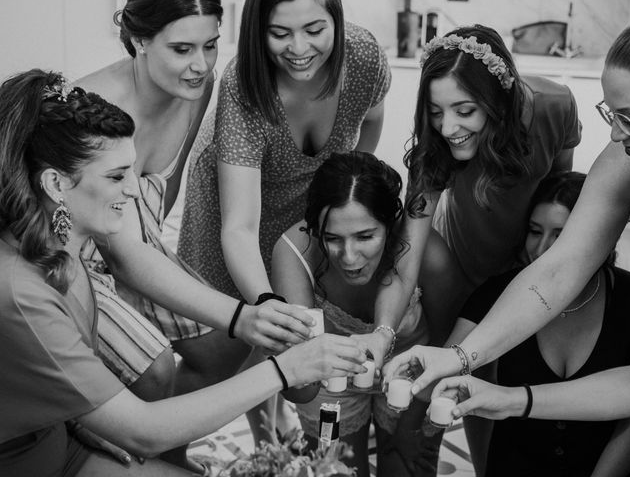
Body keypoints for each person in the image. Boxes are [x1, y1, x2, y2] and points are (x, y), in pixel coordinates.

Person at [0, 69, 367, 477]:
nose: (135, 191)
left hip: (63, 445)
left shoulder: (61, 248)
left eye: (133, 172)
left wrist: (78, 424)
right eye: (117, 176)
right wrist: (287, 370)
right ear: (55, 184)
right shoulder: (21, 294)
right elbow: (143, 431)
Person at [75, 0, 317, 462]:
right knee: (154, 365)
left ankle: (170, 454)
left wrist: (240, 320)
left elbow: (156, 204)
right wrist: (241, 313)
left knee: (227, 347)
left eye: (209, 45)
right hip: (69, 256)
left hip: (133, 241)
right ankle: (129, 453)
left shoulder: (197, 89)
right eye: (182, 49)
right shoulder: (96, 107)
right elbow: (119, 253)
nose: (200, 65)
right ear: (139, 40)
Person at [384, 15, 630, 448]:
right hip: (484, 266)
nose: (614, 133)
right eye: (612, 114)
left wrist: (509, 397)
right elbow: (560, 266)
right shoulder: (623, 158)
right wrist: (457, 356)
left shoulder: (552, 107)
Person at [177, 0, 391, 442]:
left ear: (337, 17)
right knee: (226, 346)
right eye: (279, 34)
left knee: (288, 330)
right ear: (257, 29)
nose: (299, 48)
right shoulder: (242, 84)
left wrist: (343, 192)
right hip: (232, 205)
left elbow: (371, 120)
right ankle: (218, 440)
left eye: (315, 30)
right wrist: (264, 301)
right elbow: (238, 227)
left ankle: (270, 430)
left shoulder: (364, 56)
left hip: (307, 204)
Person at [367, 24, 581, 370]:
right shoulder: (435, 149)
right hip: (461, 258)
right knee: (455, 368)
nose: (448, 128)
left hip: (529, 264)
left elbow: (559, 196)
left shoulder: (554, 106)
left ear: (499, 100)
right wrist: (383, 332)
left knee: (507, 371)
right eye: (436, 112)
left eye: (464, 111)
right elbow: (407, 257)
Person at [438, 171, 630, 476]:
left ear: (601, 233)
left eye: (561, 235)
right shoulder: (497, 293)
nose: (543, 249)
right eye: (535, 231)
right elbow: (453, 364)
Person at [272, 151, 435, 476]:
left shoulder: (429, 253)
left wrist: (415, 422)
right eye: (332, 238)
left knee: (404, 466)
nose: (348, 257)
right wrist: (285, 366)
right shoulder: (295, 254)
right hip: (329, 380)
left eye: (365, 237)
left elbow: (447, 340)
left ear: (391, 224)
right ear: (316, 230)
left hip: (413, 372)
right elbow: (301, 386)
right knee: (336, 470)